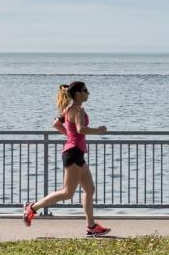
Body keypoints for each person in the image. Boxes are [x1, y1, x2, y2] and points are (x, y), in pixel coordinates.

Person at [24, 81, 112, 236]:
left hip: (76, 152)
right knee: (67, 193)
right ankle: (32, 208)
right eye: (85, 90)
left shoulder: (68, 109)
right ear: (78, 93)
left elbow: (56, 124)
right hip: (73, 153)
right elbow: (81, 129)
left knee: (89, 189)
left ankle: (91, 227)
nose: (88, 93)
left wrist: (70, 137)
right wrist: (98, 130)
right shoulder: (77, 109)